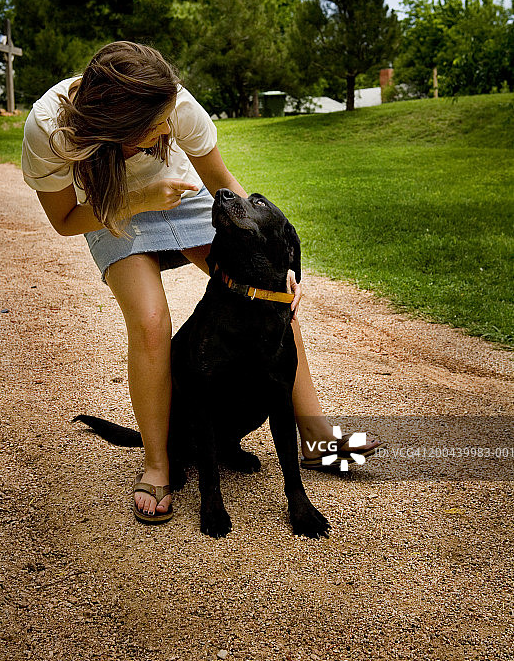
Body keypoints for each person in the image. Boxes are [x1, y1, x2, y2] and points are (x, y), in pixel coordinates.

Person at [22, 41, 380, 525]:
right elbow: (65, 220)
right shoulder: (49, 130)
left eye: (166, 121)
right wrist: (139, 199)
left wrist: (273, 263)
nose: (165, 129)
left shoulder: (175, 104)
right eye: (153, 128)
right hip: (108, 207)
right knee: (150, 320)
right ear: (119, 126)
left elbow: (222, 182)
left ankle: (315, 438)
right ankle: (157, 464)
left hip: (180, 191)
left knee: (269, 297)